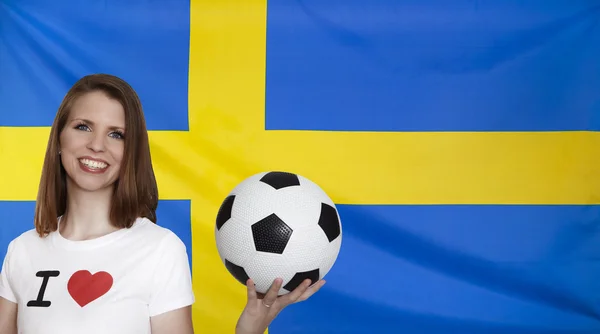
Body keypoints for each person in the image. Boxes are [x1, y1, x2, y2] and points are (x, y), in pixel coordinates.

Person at [0, 74, 325, 334]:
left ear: (132, 153)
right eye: (83, 127)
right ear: (59, 138)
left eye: (117, 134)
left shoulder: (160, 250)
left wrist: (249, 331)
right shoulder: (22, 252)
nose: (96, 145)